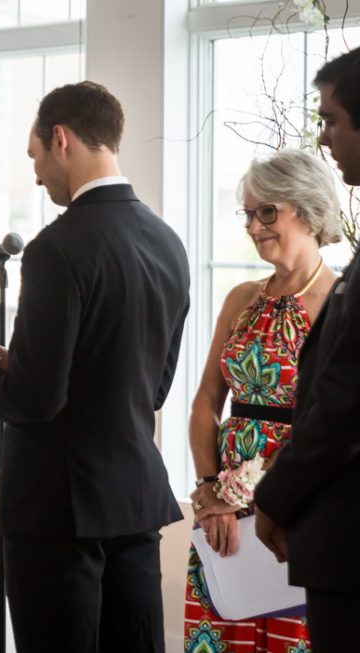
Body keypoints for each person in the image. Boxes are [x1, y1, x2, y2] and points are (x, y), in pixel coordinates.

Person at [0, 81, 191, 652]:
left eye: (34, 158)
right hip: (132, 497)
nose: (36, 175)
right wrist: (21, 360)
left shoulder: (57, 247)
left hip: (59, 510)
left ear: (61, 139)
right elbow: (151, 383)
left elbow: (36, 400)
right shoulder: (167, 241)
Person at [185, 149, 341, 652]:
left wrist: (252, 492)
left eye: (267, 211)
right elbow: (207, 401)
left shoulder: (341, 304)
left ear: (309, 208)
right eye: (248, 214)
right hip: (220, 511)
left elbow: (334, 427)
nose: (253, 226)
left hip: (300, 504)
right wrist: (213, 494)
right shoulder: (241, 298)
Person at [254, 47, 360, 650]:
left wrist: (272, 497)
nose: (325, 139)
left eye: (333, 120)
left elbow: (343, 405)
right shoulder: (246, 296)